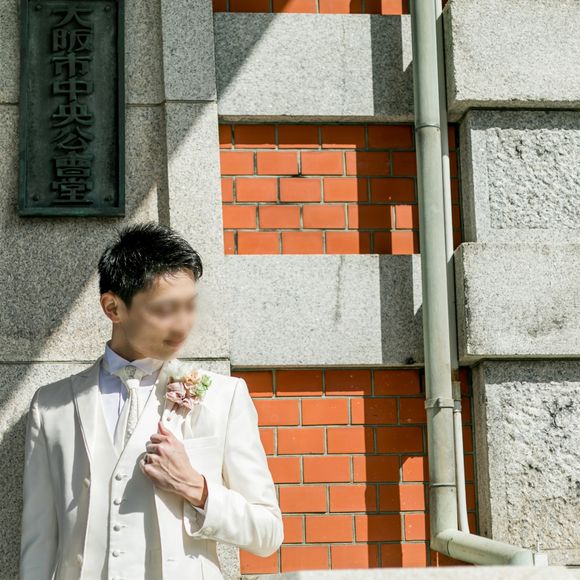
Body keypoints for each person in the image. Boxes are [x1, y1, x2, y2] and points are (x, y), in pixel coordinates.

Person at [20, 221, 283, 580]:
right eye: (164, 310)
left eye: (189, 306)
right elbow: (38, 542)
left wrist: (197, 488)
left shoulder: (224, 396)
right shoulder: (52, 406)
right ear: (113, 308)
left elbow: (268, 533)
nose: (182, 324)